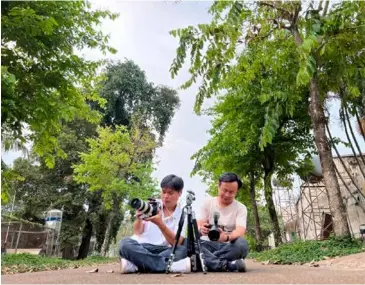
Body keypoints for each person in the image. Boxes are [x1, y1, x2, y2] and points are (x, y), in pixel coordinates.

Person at [119, 174, 191, 273]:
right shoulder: (151, 205)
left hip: (165, 250)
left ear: (180, 193)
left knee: (182, 250)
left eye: (170, 193)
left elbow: (177, 242)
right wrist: (138, 219)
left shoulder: (182, 213)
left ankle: (136, 265)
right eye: (163, 192)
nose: (166, 196)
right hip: (144, 247)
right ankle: (170, 266)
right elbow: (137, 232)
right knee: (124, 244)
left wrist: (160, 224)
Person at [198, 172, 249, 272]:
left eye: (231, 192)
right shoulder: (207, 203)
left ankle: (207, 261)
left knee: (242, 244)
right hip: (208, 244)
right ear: (218, 186)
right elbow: (199, 223)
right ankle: (225, 265)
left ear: (236, 192)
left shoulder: (241, 208)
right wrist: (201, 228)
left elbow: (240, 230)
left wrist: (226, 237)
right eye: (224, 190)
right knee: (189, 242)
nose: (227, 195)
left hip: (229, 246)